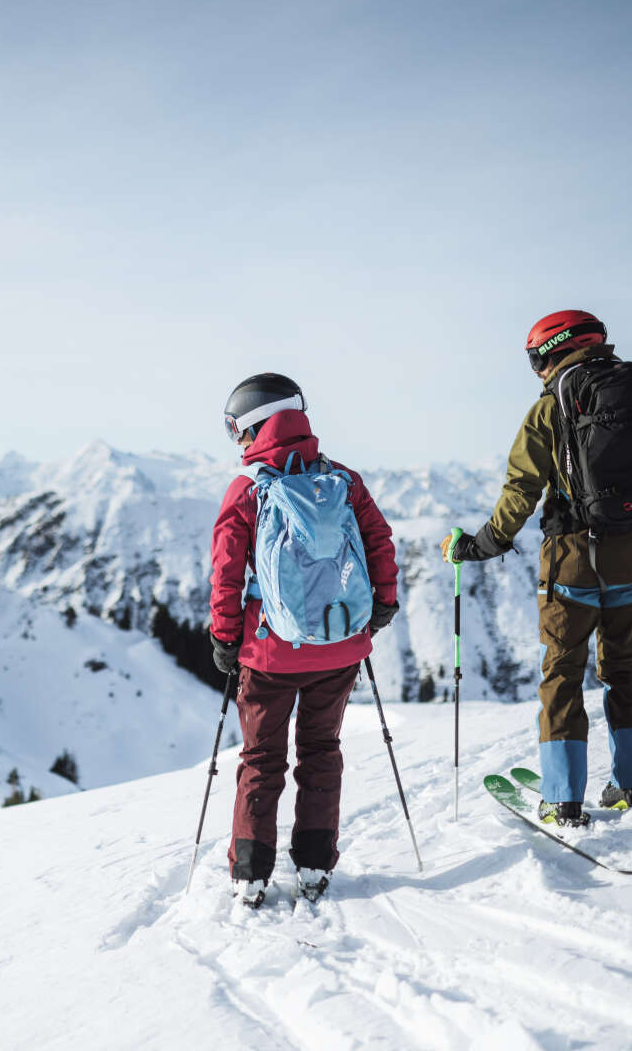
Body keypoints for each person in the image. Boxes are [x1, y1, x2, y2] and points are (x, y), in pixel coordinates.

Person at [442, 310, 632, 825]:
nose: (536, 369)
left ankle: (563, 798)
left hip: (572, 561)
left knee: (562, 670)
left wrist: (482, 545)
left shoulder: (549, 409)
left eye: (535, 357)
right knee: (625, 667)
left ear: (551, 352)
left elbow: (521, 490)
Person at [209, 373, 399, 905]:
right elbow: (379, 542)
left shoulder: (248, 489)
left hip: (270, 653)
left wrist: (225, 638)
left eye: (235, 431)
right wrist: (380, 607)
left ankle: (251, 870)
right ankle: (315, 864)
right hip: (339, 646)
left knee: (261, 760)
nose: (238, 443)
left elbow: (226, 571)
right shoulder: (343, 480)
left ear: (253, 425)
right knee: (321, 751)